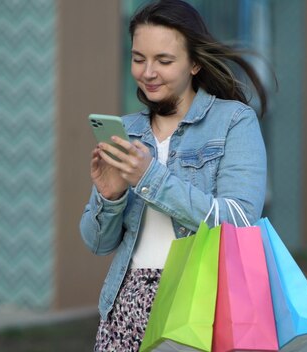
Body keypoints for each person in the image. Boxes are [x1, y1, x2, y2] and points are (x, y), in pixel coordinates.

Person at [79, 0, 268, 350]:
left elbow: (240, 220)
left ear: (194, 63)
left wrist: (151, 177)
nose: (148, 72)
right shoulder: (128, 130)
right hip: (125, 310)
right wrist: (111, 197)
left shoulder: (233, 121)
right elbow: (98, 243)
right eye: (139, 59)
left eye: (164, 61)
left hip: (203, 304)